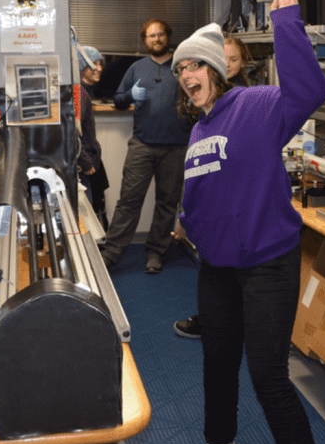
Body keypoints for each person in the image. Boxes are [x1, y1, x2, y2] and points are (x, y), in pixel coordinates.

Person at [171, 0, 325, 444]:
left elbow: (310, 91)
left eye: (193, 64)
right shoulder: (199, 128)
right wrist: (185, 218)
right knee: (217, 360)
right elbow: (201, 188)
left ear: (215, 69)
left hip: (267, 263)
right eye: (179, 69)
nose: (185, 75)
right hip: (216, 266)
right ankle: (221, 437)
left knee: (268, 377)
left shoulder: (256, 107)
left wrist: (287, 25)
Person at [99, 19, 193, 274]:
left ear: (168, 36)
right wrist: (130, 96)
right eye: (151, 36)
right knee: (128, 201)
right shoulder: (136, 68)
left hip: (176, 146)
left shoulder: (182, 67)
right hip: (142, 145)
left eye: (160, 34)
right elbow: (118, 101)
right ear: (145, 40)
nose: (156, 39)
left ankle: (155, 252)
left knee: (167, 202)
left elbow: (197, 98)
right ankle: (111, 254)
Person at [173, 34, 251, 340]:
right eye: (182, 69)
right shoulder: (201, 122)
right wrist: (184, 216)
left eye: (233, 60)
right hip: (214, 226)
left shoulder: (248, 102)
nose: (228, 65)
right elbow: (197, 176)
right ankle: (215, 322)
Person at [77, 45, 109, 230]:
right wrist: (87, 162)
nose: (99, 69)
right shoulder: (79, 93)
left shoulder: (85, 92)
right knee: (86, 223)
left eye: (100, 64)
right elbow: (74, 133)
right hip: (84, 168)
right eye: (94, 65)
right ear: (82, 67)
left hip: (88, 162)